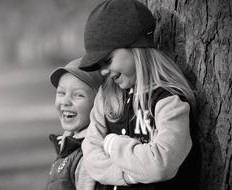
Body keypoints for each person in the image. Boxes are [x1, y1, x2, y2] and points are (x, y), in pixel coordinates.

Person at [79, 0, 200, 189]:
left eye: (107, 61)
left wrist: (111, 144)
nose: (103, 72)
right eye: (99, 65)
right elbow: (91, 155)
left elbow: (160, 165)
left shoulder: (168, 100)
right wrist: (131, 175)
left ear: (137, 48)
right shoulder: (106, 95)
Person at [45, 57, 103, 190]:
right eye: (61, 93)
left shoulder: (89, 157)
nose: (65, 101)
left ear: (99, 103)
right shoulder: (69, 144)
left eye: (78, 95)